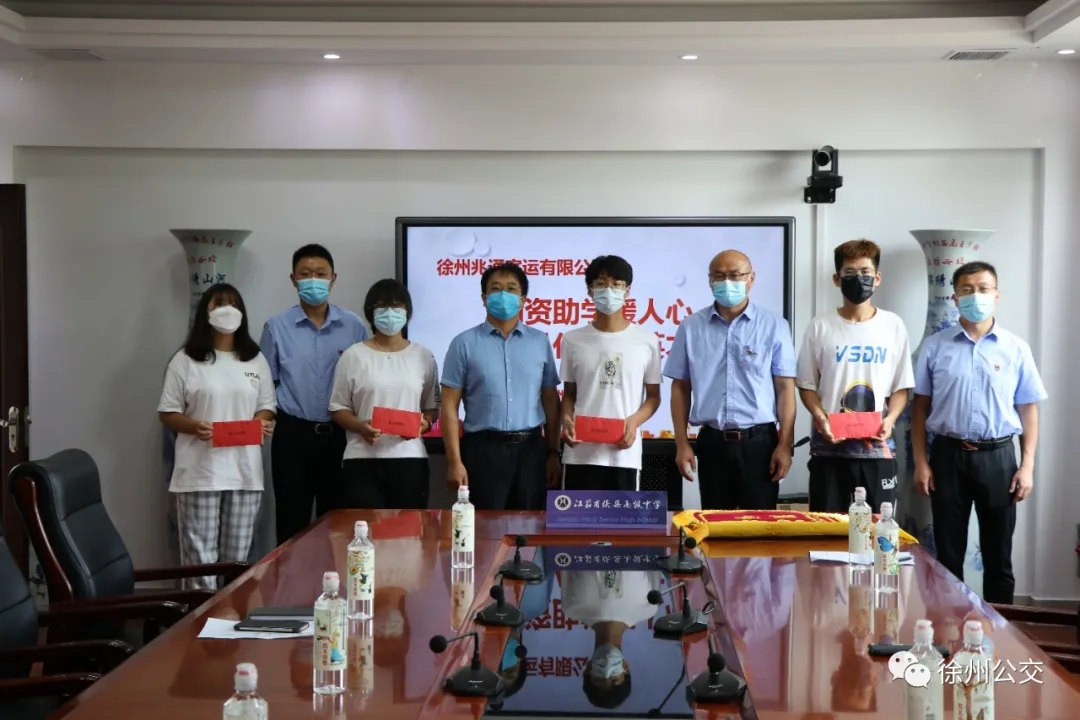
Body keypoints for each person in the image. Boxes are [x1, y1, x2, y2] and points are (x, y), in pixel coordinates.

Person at [911, 261, 1047, 604]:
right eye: (967, 290)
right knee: (948, 555)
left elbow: (1028, 409)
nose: (976, 296)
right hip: (947, 456)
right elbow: (920, 409)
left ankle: (1003, 628)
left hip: (998, 458)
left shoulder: (1016, 348)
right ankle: (947, 625)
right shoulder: (935, 346)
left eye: (983, 289)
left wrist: (1027, 466)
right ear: (955, 298)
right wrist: (921, 462)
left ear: (997, 295)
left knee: (998, 556)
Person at [157, 283, 276, 590]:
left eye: (234, 304)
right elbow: (168, 412)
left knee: (237, 564)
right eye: (219, 303)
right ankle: (200, 619)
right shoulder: (185, 360)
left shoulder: (255, 359)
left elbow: (267, 406)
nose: (228, 310)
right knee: (201, 562)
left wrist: (261, 423)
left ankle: (231, 617)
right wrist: (193, 426)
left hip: (244, 473)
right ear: (205, 312)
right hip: (199, 472)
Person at [664, 250, 797, 509]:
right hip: (712, 442)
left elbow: (785, 389)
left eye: (735, 275)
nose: (727, 282)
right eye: (719, 275)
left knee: (759, 527)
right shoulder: (691, 327)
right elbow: (680, 388)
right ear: (710, 280)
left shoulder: (774, 325)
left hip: (760, 443)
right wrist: (681, 443)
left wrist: (785, 445)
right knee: (715, 524)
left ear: (751, 278)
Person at [796, 239, 914, 513]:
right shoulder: (820, 326)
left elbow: (901, 386)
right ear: (837, 279)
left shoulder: (893, 325)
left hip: (878, 450)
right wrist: (820, 417)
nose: (858, 279)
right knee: (826, 529)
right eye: (849, 272)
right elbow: (806, 384)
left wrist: (890, 419)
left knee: (878, 528)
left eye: (865, 272)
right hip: (828, 449)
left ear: (877, 278)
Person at [259, 244, 368, 544]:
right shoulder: (276, 327)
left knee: (337, 526)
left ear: (333, 278)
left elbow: (365, 381)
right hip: (292, 436)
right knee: (291, 522)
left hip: (340, 436)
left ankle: (333, 577)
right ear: (293, 279)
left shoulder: (354, 326)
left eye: (321, 274)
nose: (313, 280)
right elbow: (264, 385)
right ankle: (290, 577)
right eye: (305, 274)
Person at [440, 262, 562, 510]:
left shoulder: (539, 342)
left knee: (530, 525)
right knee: (484, 527)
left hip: (531, 451)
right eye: (496, 289)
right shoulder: (463, 343)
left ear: (523, 300)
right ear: (484, 298)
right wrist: (454, 461)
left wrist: (553, 452)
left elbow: (550, 401)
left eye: (511, 288)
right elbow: (449, 405)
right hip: (482, 450)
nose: (503, 295)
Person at [330, 279, 439, 509]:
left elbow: (431, 407)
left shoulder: (423, 356)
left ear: (407, 311)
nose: (390, 313)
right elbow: (338, 408)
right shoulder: (353, 356)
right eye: (382, 306)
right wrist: (360, 426)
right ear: (371, 313)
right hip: (361, 459)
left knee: (409, 529)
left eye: (397, 306)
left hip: (410, 459)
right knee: (364, 529)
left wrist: (424, 424)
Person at [560, 256, 661, 491]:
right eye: (601, 283)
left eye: (616, 284)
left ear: (627, 290)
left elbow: (653, 397)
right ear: (590, 290)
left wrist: (634, 422)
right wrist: (566, 420)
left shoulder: (647, 340)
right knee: (576, 516)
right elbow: (569, 394)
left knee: (622, 516)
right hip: (580, 452)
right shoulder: (572, 339)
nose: (609, 290)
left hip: (624, 453)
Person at [560, 569, 665, 710]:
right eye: (615, 679)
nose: (607, 671)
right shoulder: (648, 608)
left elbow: (564, 561)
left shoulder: (572, 608)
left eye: (599, 679)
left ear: (588, 668)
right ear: (625, 668)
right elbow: (656, 562)